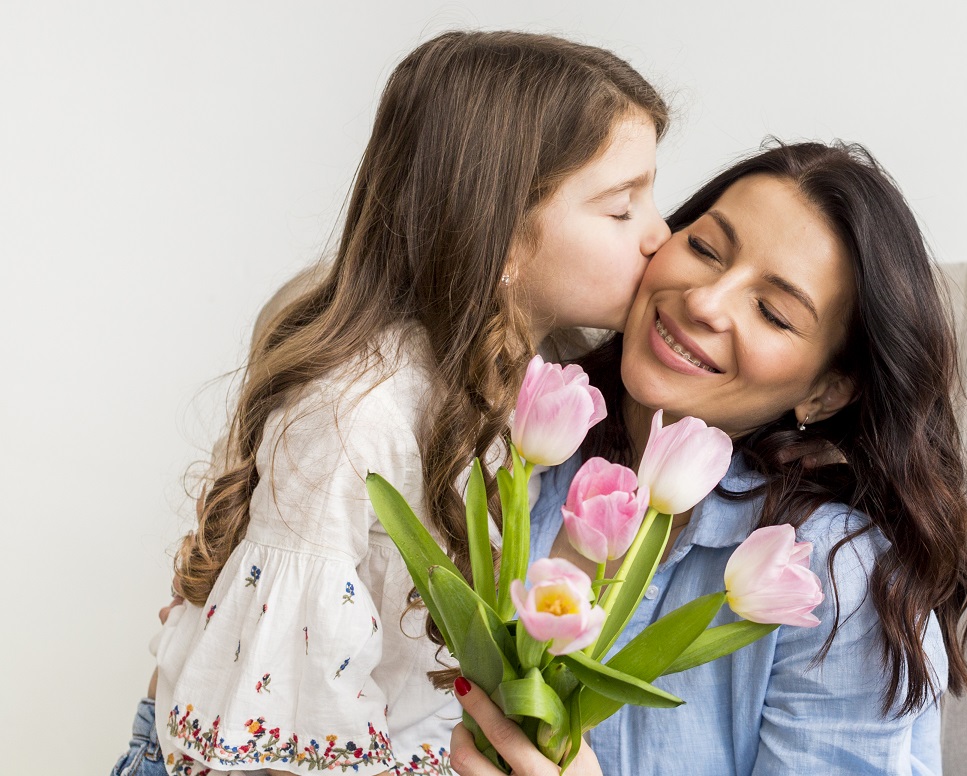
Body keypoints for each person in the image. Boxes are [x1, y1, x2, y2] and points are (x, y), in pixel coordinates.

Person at [113, 30, 672, 776]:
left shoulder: (537, 368)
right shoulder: (356, 415)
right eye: (621, 208)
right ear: (501, 233)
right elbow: (276, 734)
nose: (659, 234)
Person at [447, 141, 967, 776]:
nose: (704, 301)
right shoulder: (518, 446)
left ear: (825, 390)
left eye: (773, 313)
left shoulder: (827, 579)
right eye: (703, 249)